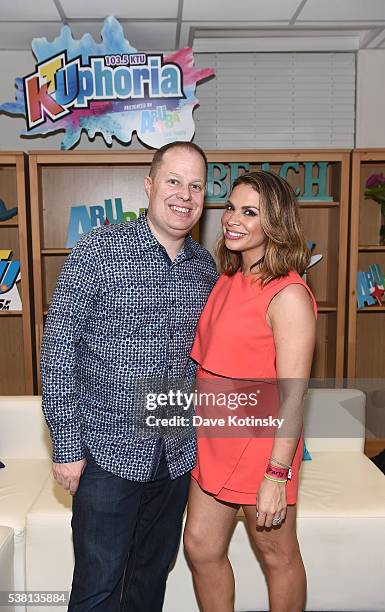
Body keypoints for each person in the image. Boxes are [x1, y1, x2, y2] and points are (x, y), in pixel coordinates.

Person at [40, 141, 218, 612]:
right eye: (174, 181)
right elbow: (58, 350)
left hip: (174, 455)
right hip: (106, 453)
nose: (185, 194)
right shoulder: (100, 249)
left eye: (196, 185)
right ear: (149, 186)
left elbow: (201, 364)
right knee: (98, 586)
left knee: (149, 580)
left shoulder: (205, 267)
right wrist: (66, 449)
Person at [184, 171, 317, 612]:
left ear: (275, 223)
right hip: (215, 439)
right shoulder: (228, 278)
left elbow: (294, 394)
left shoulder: (289, 295)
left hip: (261, 447)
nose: (232, 220)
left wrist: (277, 476)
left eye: (249, 212)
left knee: (278, 557)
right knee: (201, 546)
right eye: (230, 207)